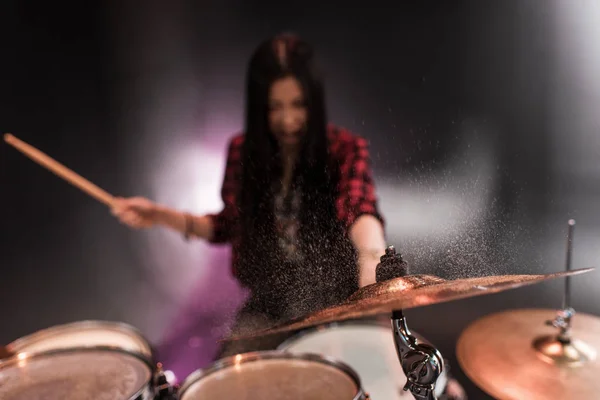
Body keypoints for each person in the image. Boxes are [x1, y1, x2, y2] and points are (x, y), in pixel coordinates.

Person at [112, 32, 466, 399]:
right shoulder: (242, 152)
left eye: (298, 104)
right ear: (258, 105)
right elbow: (226, 225)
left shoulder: (343, 150)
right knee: (220, 382)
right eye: (274, 107)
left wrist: (372, 266)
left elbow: (360, 211)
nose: (288, 119)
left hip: (341, 300)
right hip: (269, 307)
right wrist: (158, 215)